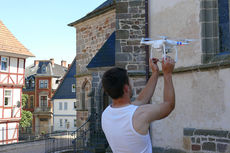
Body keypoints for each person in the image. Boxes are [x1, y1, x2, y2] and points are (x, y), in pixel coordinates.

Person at [101, 57, 175, 153]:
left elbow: (141, 100)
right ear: (126, 88)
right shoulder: (138, 115)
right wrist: (167, 74)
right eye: (129, 81)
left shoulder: (106, 114)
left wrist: (155, 73)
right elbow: (169, 105)